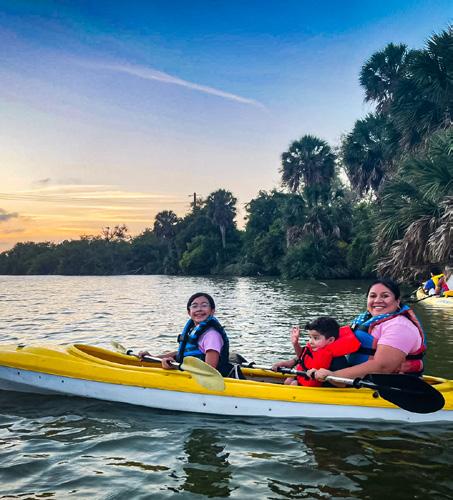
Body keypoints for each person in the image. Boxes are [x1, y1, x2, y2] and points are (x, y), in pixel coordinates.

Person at [309, 278, 426, 384]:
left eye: (385, 296)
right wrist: (299, 357)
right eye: (373, 296)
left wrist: (334, 376)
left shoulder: (400, 326)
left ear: (397, 301)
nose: (377, 300)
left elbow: (383, 367)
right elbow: (329, 344)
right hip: (359, 380)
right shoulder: (366, 320)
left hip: (391, 386)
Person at [138, 292, 231, 377]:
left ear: (212, 311)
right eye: (194, 306)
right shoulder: (193, 331)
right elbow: (183, 353)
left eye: (204, 305)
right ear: (189, 312)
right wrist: (152, 358)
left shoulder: (212, 335)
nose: (199, 309)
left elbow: (209, 372)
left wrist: (174, 367)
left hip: (209, 382)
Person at [271, 317, 354, 387]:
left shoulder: (338, 360)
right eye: (310, 337)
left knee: (293, 383)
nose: (310, 341)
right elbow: (303, 357)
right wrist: (295, 344)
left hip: (324, 390)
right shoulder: (314, 349)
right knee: (289, 380)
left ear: (330, 340)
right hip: (307, 380)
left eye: (315, 338)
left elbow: (342, 384)